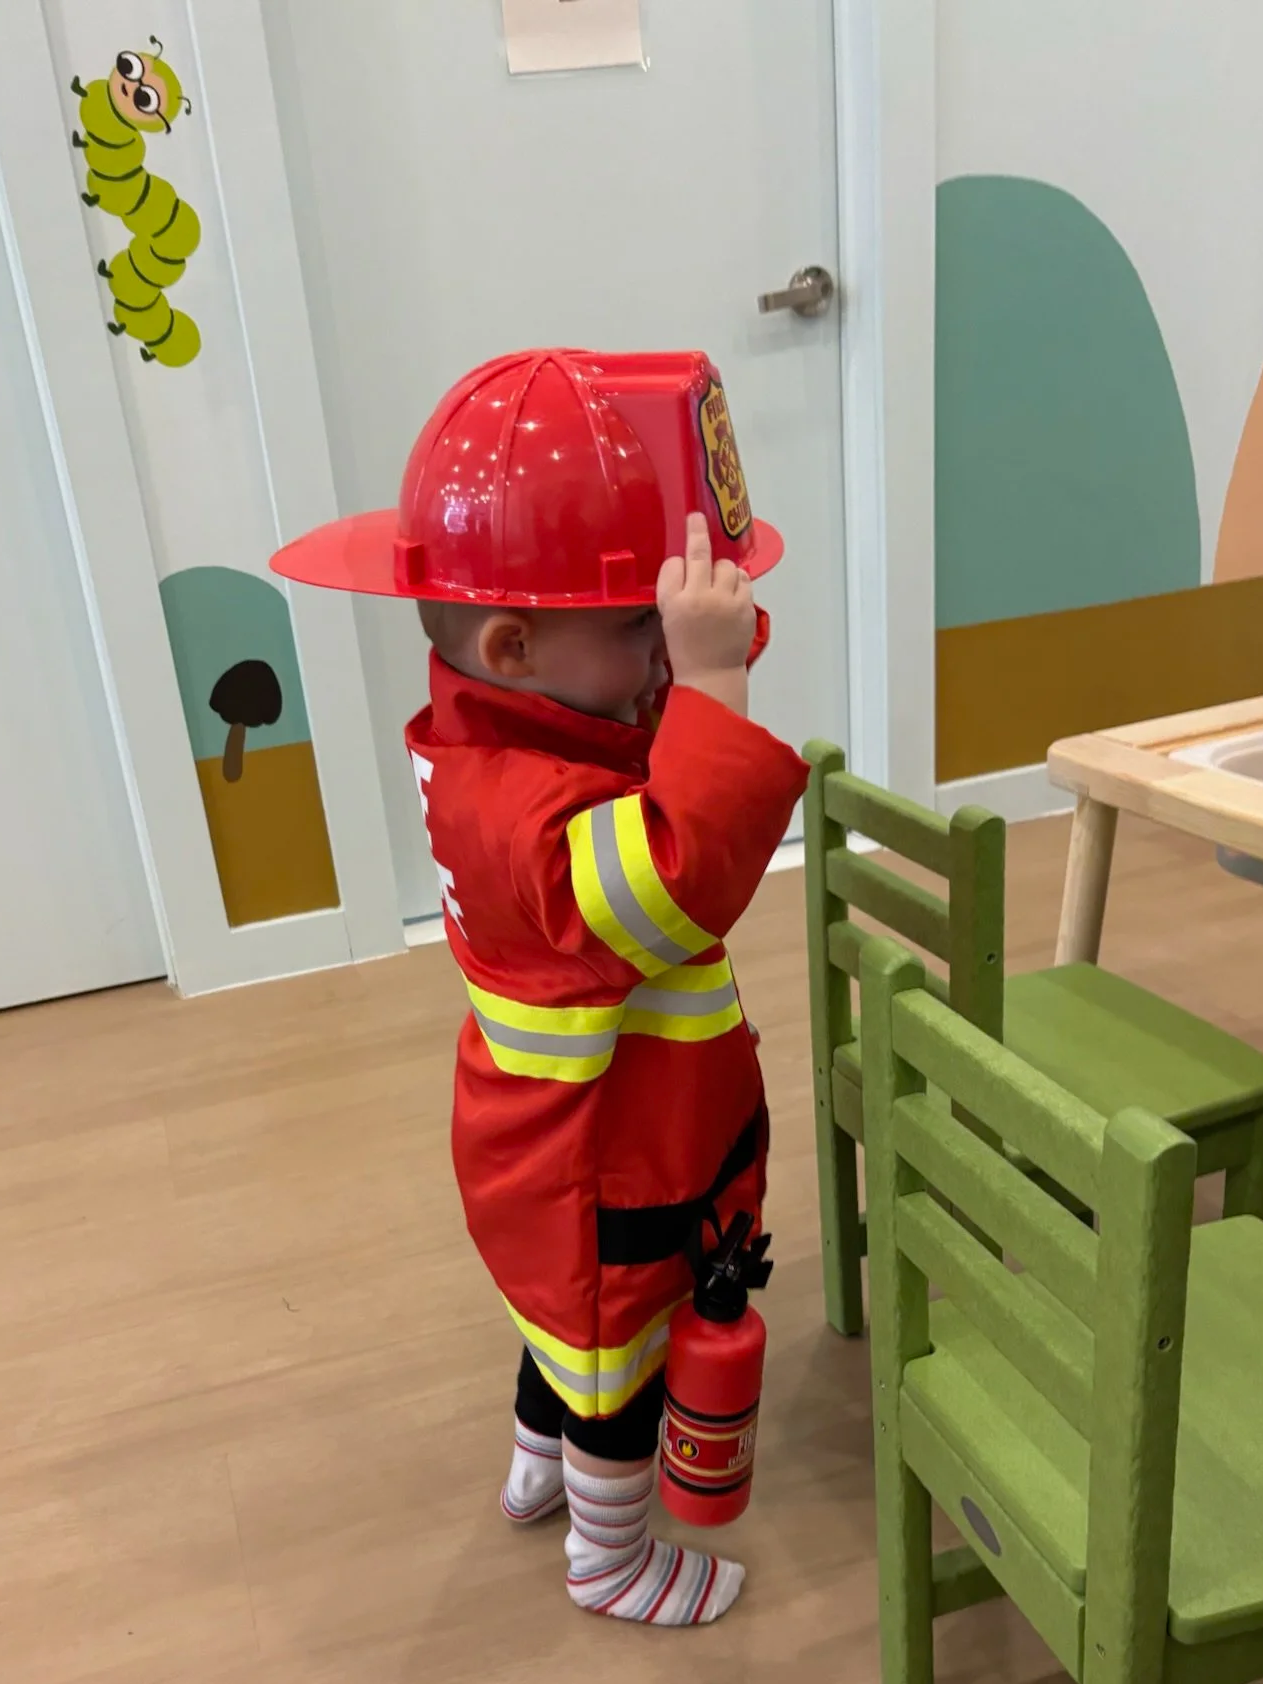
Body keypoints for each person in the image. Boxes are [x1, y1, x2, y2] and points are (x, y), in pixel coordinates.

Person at [271, 348, 810, 1627]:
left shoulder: (496, 727)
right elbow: (678, 879)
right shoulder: (534, 815)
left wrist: (690, 658)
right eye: (642, 627)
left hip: (555, 1141)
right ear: (515, 642)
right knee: (618, 1359)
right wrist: (720, 687)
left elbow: (636, 734)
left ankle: (534, 1465)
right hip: (602, 1159)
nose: (665, 652)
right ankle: (608, 1553)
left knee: (561, 1327)